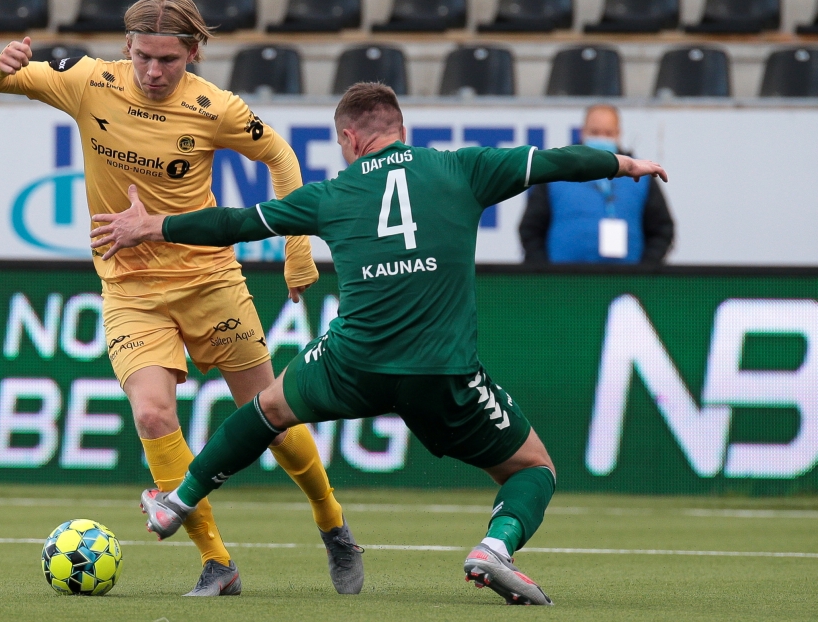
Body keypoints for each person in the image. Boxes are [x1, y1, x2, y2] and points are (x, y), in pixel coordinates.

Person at [89, 83, 667, 605]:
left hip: (352, 364)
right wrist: (621, 163)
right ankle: (495, 547)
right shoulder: (462, 168)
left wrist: (153, 226)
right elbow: (553, 164)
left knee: (267, 407)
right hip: (443, 373)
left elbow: (234, 224)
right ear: (401, 131)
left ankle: (177, 502)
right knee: (534, 469)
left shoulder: (332, 194)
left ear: (349, 137)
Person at [0, 0, 361, 597]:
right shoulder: (89, 83)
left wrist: (297, 252)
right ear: (127, 47)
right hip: (128, 287)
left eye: (169, 60)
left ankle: (333, 524)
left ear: (195, 53)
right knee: (153, 413)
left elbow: (282, 158)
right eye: (145, 56)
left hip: (208, 280)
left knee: (274, 418)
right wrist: (4, 63)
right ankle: (217, 562)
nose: (154, 72)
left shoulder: (215, 107)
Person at [518, 104, 674, 264]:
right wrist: (544, 272)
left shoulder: (641, 176)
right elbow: (531, 229)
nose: (601, 138)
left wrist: (643, 271)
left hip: (625, 284)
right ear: (582, 132)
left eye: (608, 133)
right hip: (563, 281)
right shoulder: (555, 172)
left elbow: (662, 230)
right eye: (595, 132)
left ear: (618, 134)